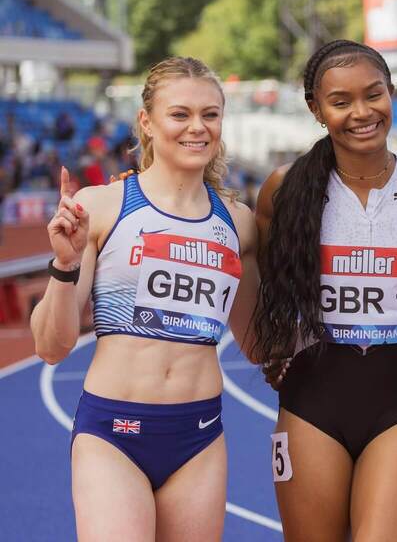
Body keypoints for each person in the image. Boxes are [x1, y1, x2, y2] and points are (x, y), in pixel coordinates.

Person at [31, 57, 259, 541]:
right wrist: (65, 267)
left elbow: (258, 344)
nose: (197, 127)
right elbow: (52, 347)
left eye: (210, 114)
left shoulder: (239, 224)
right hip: (113, 434)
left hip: (199, 436)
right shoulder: (100, 206)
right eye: (180, 114)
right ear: (147, 123)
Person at [250, 40, 397, 542]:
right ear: (316, 110)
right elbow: (260, 280)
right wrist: (274, 351)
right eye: (341, 102)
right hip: (310, 401)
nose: (362, 112)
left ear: (391, 93)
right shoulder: (284, 188)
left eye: (374, 95)